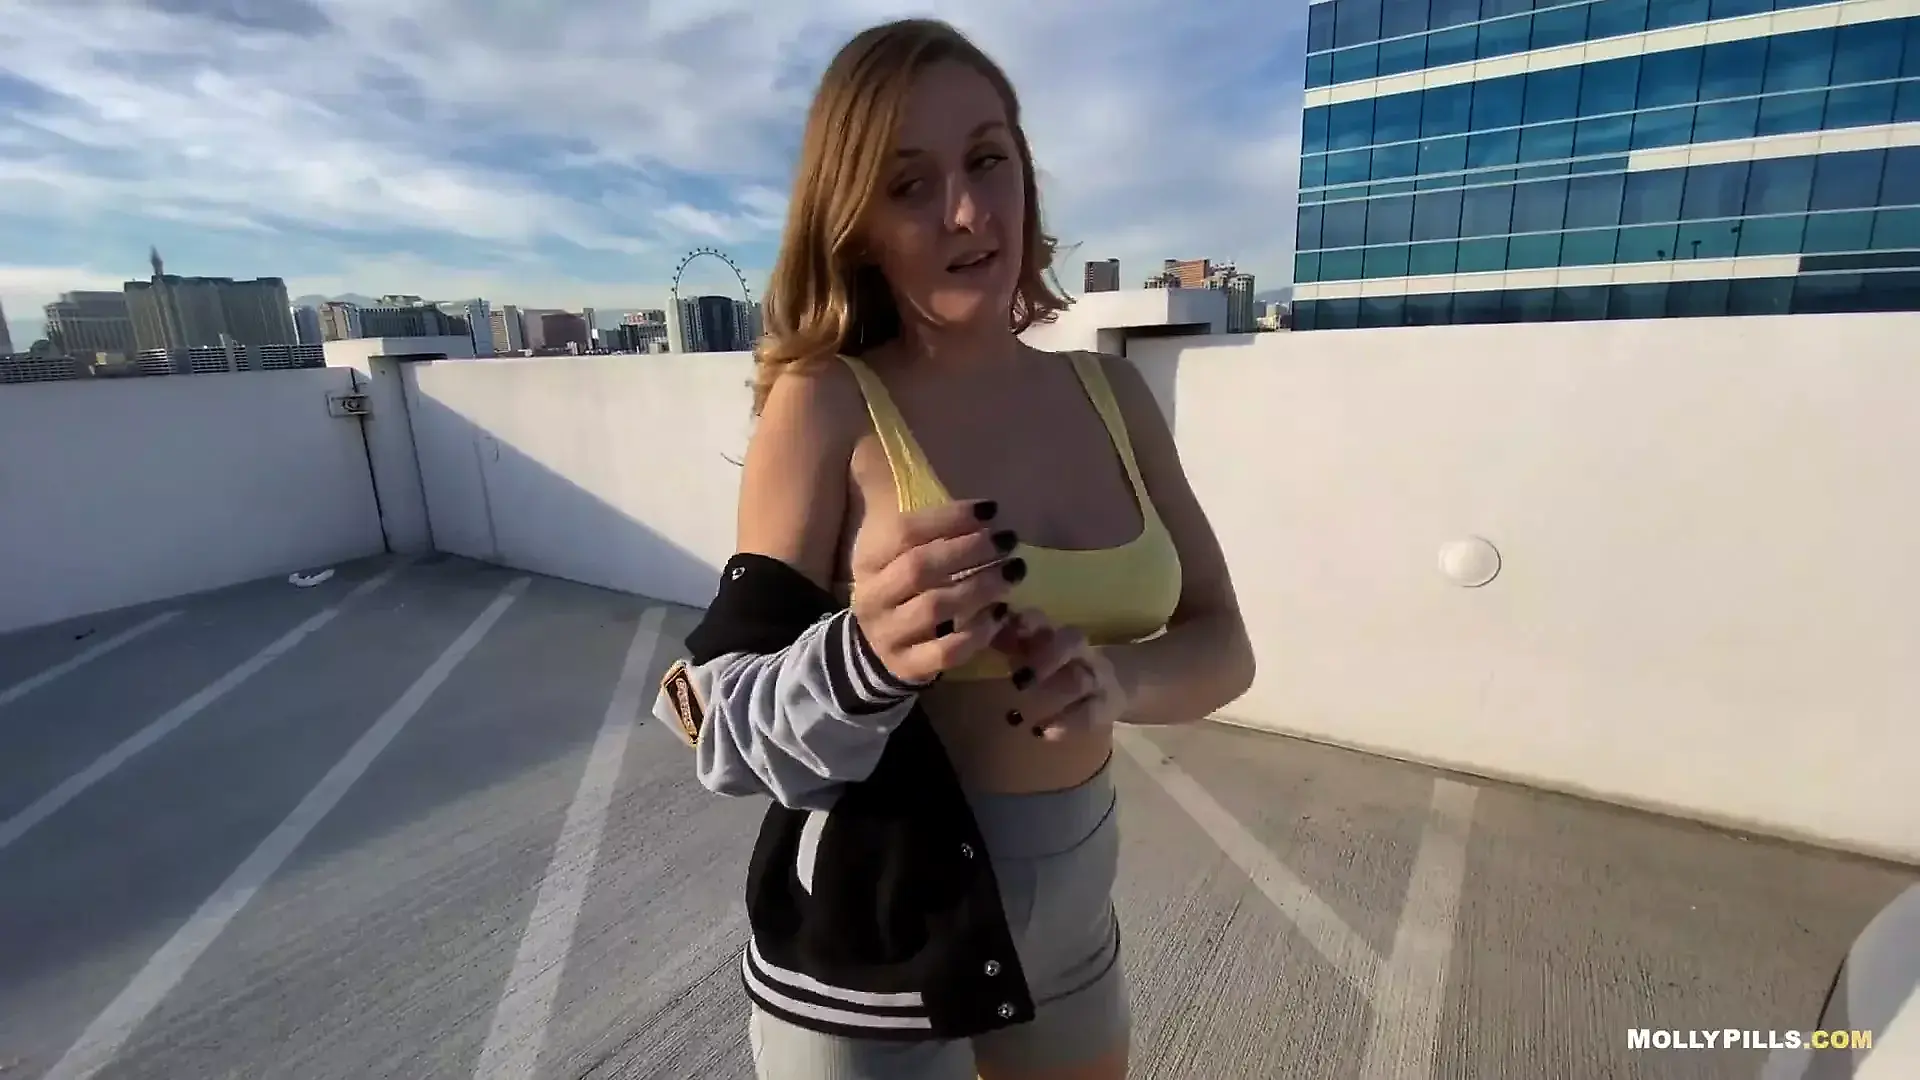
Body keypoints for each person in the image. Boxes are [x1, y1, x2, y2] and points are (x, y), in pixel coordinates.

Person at [651, 17, 1254, 1080]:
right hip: (871, 966)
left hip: (1075, 928)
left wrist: (1114, 680)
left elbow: (1226, 645)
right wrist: (866, 655)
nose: (968, 211)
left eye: (987, 160)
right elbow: (719, 725)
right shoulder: (825, 404)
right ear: (856, 224)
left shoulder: (1114, 395)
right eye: (909, 184)